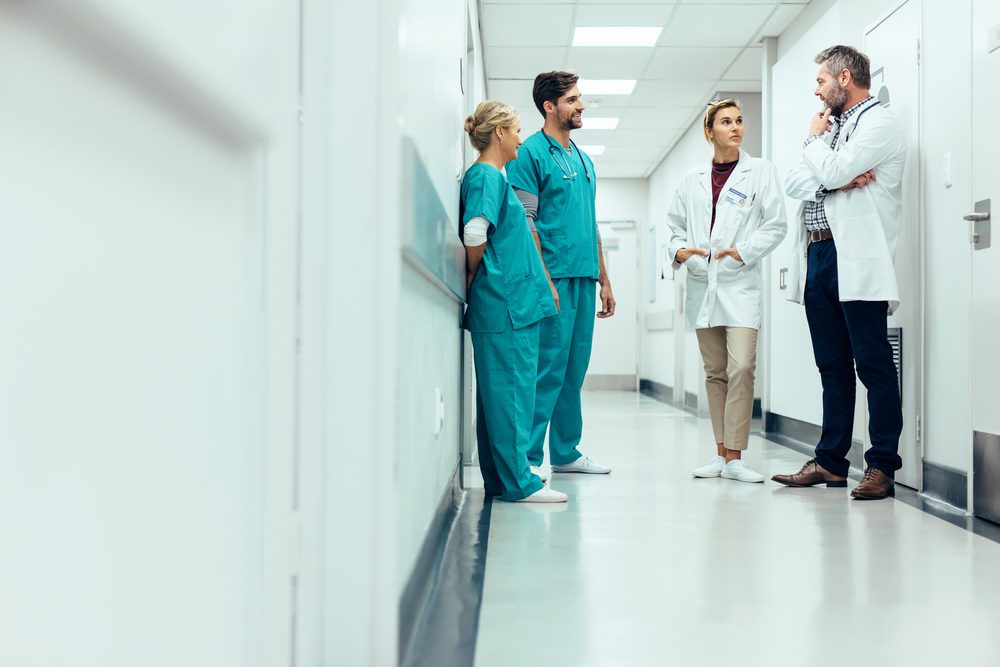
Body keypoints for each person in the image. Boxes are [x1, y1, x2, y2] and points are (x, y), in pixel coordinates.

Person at [771, 45, 906, 500]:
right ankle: (831, 462)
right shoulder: (833, 126)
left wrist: (819, 152)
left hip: (858, 257)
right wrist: (830, 172)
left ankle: (882, 466)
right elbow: (794, 182)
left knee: (872, 363)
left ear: (844, 77)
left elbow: (834, 167)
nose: (817, 90)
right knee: (831, 365)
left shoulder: (879, 123)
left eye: (821, 81)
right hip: (819, 257)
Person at [666, 99, 787, 483]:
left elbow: (776, 224)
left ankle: (736, 456)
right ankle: (720, 454)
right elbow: (674, 229)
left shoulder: (761, 172)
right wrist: (680, 251)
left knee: (742, 367)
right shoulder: (691, 179)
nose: (735, 127)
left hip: (740, 284)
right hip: (703, 284)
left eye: (739, 120)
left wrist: (744, 252)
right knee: (715, 372)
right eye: (726, 122)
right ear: (709, 131)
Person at [506, 71, 614, 477]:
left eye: (579, 98)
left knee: (573, 369)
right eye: (572, 100)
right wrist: (544, 280)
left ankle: (566, 452)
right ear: (549, 107)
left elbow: (592, 222)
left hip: (584, 278)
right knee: (547, 368)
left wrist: (605, 279)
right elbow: (526, 221)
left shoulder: (583, 160)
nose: (580, 105)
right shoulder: (530, 153)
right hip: (553, 277)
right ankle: (529, 458)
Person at [460, 100, 566, 503]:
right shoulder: (487, 175)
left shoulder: (492, 177)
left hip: (506, 302)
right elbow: (474, 232)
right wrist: (476, 275)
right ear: (500, 133)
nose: (523, 138)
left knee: (500, 397)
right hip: (505, 303)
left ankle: (504, 480)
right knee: (513, 394)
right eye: (518, 130)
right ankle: (520, 482)